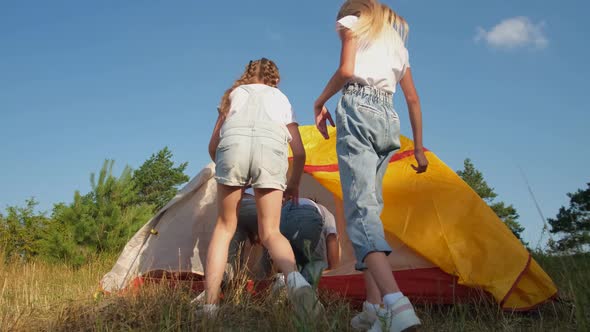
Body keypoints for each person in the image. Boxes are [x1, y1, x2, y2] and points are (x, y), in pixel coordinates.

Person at [313, 1, 428, 331]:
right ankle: (374, 307)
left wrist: (319, 102)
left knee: (360, 212)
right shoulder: (397, 45)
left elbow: (347, 70)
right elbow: (413, 100)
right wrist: (418, 148)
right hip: (389, 118)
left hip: (359, 107)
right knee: (370, 212)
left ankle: (397, 304)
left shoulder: (353, 22)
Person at [205, 58, 322, 319]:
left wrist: (229, 169)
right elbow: (299, 152)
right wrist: (293, 184)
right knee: (270, 232)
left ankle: (210, 306)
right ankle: (295, 281)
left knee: (225, 227)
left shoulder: (232, 95)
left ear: (246, 75)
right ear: (276, 79)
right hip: (271, 147)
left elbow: (213, 146)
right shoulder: (281, 99)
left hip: (232, 145)